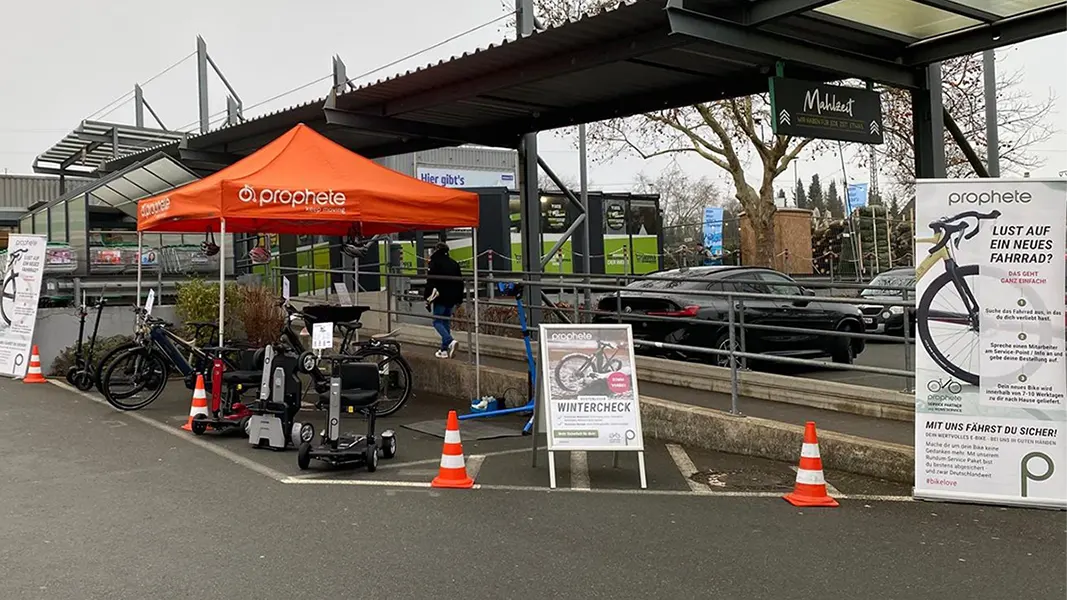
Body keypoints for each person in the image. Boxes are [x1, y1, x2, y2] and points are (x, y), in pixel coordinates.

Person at [424, 242, 464, 358]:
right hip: (452, 297)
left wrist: (427, 297)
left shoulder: (434, 262)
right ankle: (444, 349)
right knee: (445, 321)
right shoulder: (454, 263)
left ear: (436, 250)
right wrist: (459, 299)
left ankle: (450, 341)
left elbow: (430, 281)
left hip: (439, 296)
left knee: (437, 321)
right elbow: (460, 282)